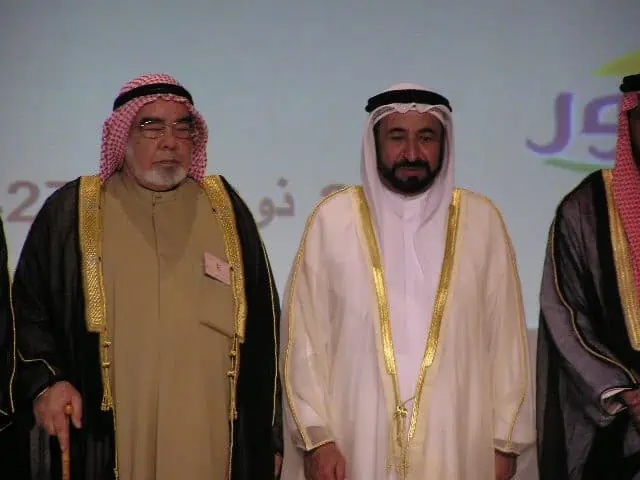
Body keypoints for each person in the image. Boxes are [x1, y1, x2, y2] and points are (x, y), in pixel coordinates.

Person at [11, 73, 282, 480]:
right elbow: (27, 312)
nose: (169, 141)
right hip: (110, 437)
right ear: (122, 137)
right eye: (151, 126)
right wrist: (47, 384)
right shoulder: (75, 210)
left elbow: (265, 330)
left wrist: (269, 438)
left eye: (182, 127)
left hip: (208, 437)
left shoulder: (224, 208)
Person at [279, 83, 535, 480]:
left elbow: (505, 342)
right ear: (375, 142)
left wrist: (504, 442)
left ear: (444, 144)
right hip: (353, 442)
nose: (412, 153)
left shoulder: (481, 222)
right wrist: (317, 437)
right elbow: (306, 339)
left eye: (426, 137)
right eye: (397, 137)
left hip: (459, 442)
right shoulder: (333, 220)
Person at [537, 73, 640, 479]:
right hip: (619, 430)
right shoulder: (583, 210)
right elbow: (564, 313)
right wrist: (627, 392)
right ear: (627, 121)